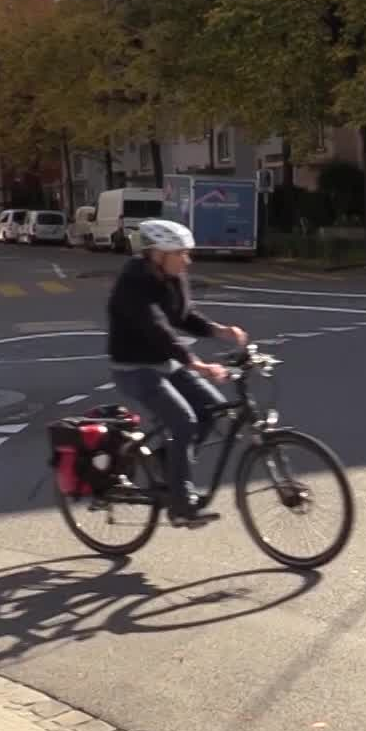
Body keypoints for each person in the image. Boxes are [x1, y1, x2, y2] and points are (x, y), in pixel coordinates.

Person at [106, 219, 248, 525]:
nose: (187, 259)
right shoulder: (133, 281)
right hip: (134, 368)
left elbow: (183, 316)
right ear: (158, 254)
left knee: (211, 409)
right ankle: (180, 504)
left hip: (163, 362)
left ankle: (166, 465)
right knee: (184, 420)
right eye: (180, 253)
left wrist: (220, 330)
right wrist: (196, 363)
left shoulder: (173, 276)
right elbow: (156, 329)